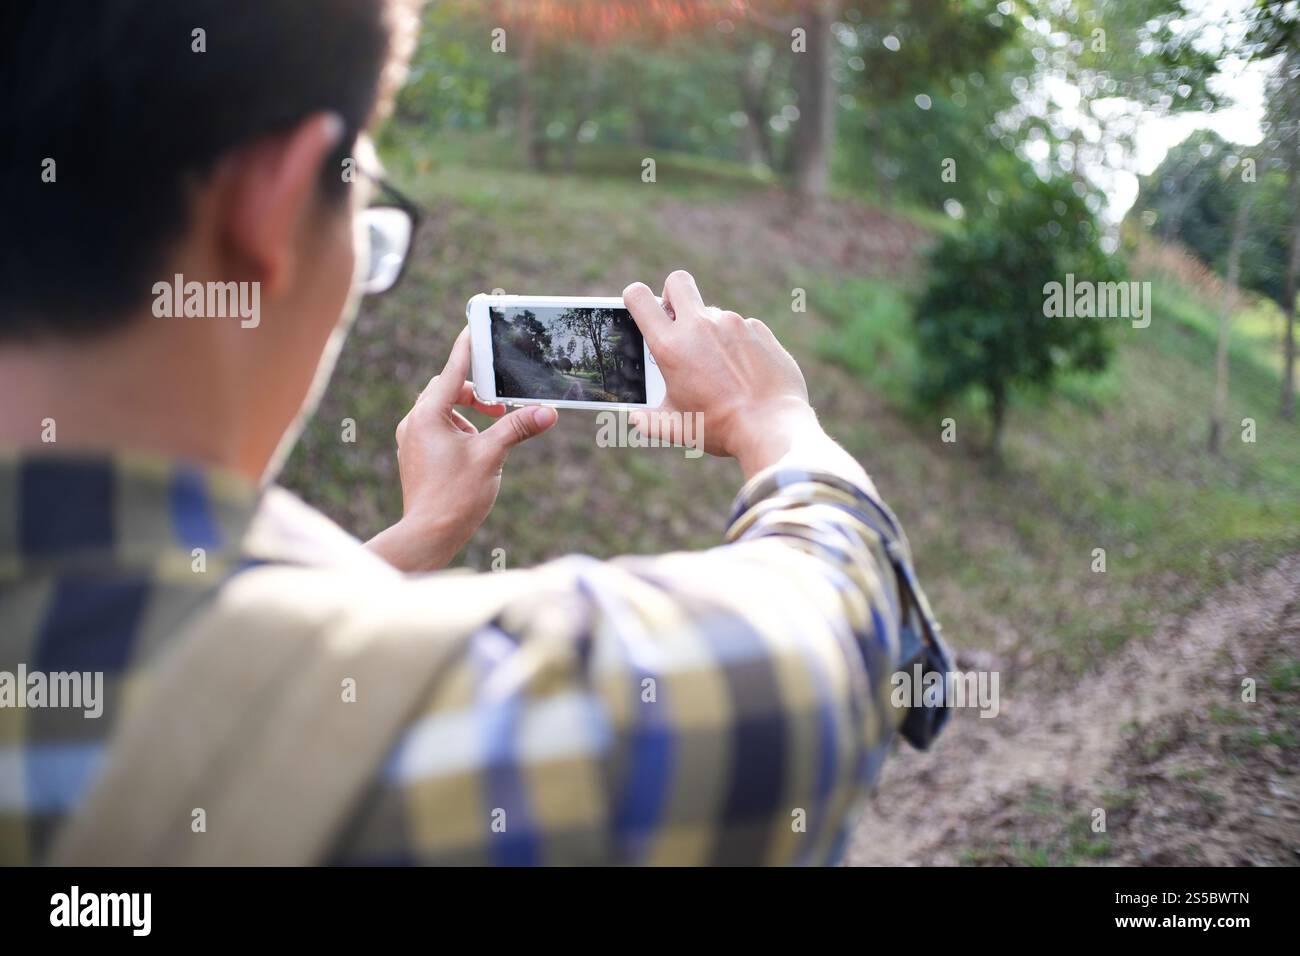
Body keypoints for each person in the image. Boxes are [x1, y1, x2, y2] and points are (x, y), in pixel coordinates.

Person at [0, 0, 950, 866]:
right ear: (277, 205)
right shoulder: (468, 728)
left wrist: (407, 547)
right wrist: (772, 421)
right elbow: (818, 654)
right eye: (369, 209)